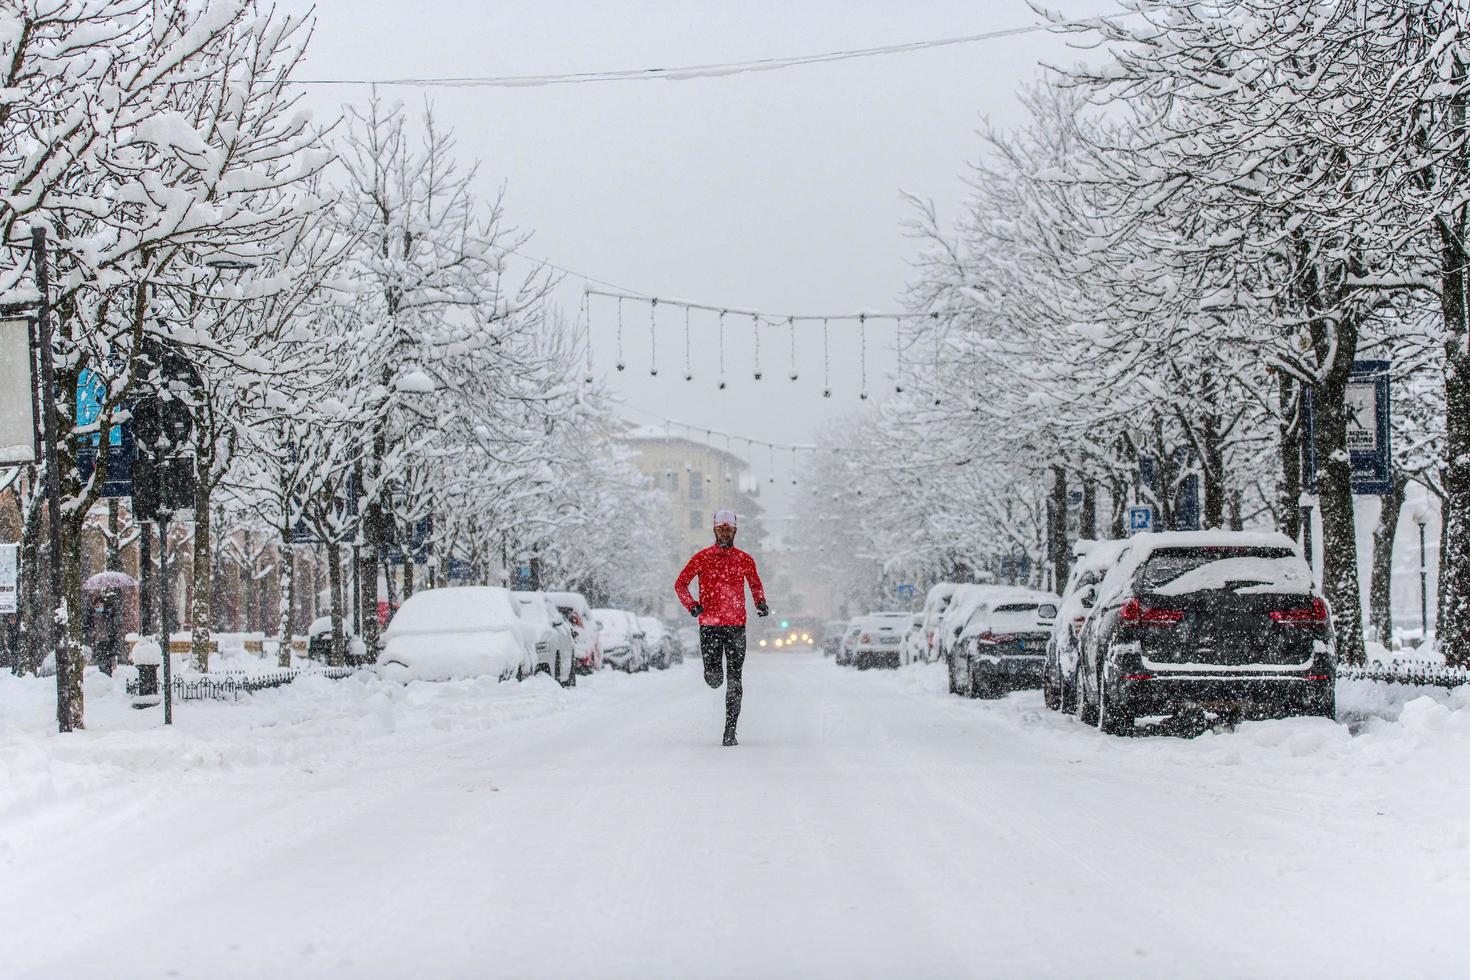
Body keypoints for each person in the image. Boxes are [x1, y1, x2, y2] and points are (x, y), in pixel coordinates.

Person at [674, 509, 768, 746]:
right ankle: (712, 672)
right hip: (710, 627)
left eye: (729, 529)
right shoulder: (702, 558)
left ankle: (730, 731)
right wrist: (692, 606)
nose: (725, 533)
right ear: (714, 530)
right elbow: (680, 584)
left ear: (735, 530)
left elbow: (755, 584)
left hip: (736, 626)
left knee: (735, 679)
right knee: (715, 679)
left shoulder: (744, 559)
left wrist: (761, 603)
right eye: (720, 529)